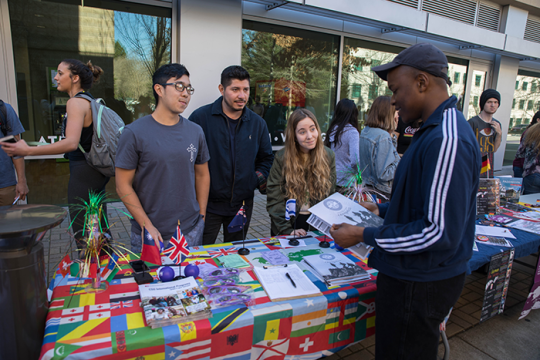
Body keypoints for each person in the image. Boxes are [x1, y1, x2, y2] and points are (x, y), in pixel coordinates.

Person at [330, 43, 481, 360]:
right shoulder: (432, 131)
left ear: (422, 82)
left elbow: (437, 232)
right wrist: (380, 209)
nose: (393, 100)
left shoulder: (446, 138)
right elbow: (423, 203)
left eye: (397, 89)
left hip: (420, 283)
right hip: (413, 276)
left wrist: (362, 234)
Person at [1, 60, 109, 248]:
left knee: (84, 233)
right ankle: (104, 269)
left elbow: (71, 142)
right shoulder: (89, 100)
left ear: (74, 78)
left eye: (60, 73)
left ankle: (91, 271)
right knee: (98, 227)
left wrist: (28, 150)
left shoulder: (75, 102)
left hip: (83, 174)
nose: (56, 77)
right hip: (94, 172)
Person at [115, 63, 210, 252]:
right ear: (159, 89)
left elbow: (202, 174)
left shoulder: (195, 131)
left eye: (189, 88)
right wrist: (146, 225)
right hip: (150, 233)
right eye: (179, 86)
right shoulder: (134, 132)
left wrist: (201, 216)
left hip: (190, 231)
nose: (186, 94)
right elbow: (122, 185)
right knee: (149, 281)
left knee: (190, 281)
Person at [189, 66, 273, 245]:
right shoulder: (200, 119)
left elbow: (266, 159)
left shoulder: (258, 124)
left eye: (245, 89)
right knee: (201, 253)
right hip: (207, 206)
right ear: (221, 89)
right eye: (235, 89)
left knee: (235, 254)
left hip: (241, 206)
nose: (242, 95)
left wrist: (254, 180)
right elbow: (188, 161)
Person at [267, 108, 336, 236]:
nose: (309, 136)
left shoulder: (328, 155)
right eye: (302, 132)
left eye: (312, 129)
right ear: (294, 135)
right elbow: (274, 198)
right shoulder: (282, 158)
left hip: (317, 223)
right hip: (288, 222)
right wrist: (287, 230)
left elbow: (330, 195)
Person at [358, 96, 401, 201]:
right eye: (396, 112)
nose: (398, 115)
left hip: (367, 190)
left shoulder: (366, 131)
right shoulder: (383, 137)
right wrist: (401, 161)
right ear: (388, 113)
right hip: (382, 193)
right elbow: (384, 174)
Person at [324, 99, 360, 190]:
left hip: (330, 178)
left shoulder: (333, 129)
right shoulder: (352, 132)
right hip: (345, 182)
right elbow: (355, 160)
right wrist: (358, 174)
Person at [468, 89, 503, 178]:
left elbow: (494, 149)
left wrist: (499, 134)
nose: (493, 105)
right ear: (483, 103)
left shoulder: (497, 124)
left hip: (488, 166)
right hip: (473, 165)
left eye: (495, 102)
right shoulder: (473, 122)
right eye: (489, 102)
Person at [0, 100, 29, 206]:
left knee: (9, 222)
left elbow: (16, 150)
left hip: (4, 186)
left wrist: (21, 181)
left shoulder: (3, 110)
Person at [513, 110, 540, 178]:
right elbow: (523, 153)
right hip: (524, 168)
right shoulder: (530, 133)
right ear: (538, 120)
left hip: (527, 169)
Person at [515, 123, 540, 194]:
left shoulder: (531, 131)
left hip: (532, 174)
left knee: (530, 203)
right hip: (533, 174)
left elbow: (519, 154)